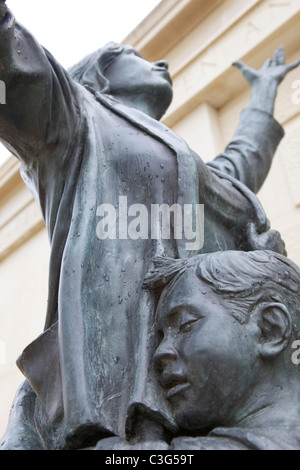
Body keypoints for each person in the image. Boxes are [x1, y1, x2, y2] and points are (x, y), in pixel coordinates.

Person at [0, 0, 299, 450]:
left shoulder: (182, 164)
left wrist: (260, 101)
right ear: (99, 77)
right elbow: (14, 69)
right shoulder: (73, 127)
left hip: (234, 387)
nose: (158, 61)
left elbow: (236, 169)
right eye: (131, 56)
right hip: (128, 403)